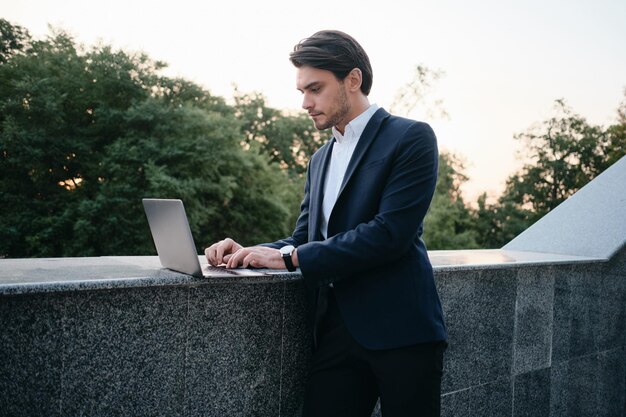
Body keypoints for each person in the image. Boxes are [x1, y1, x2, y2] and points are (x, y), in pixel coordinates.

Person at [206, 30, 448, 417]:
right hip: (334, 332)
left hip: (403, 332)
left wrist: (287, 260)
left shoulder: (411, 137)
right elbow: (304, 238)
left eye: (315, 89)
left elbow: (390, 235)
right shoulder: (319, 159)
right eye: (301, 91)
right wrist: (252, 251)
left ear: (352, 80)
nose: (305, 103)